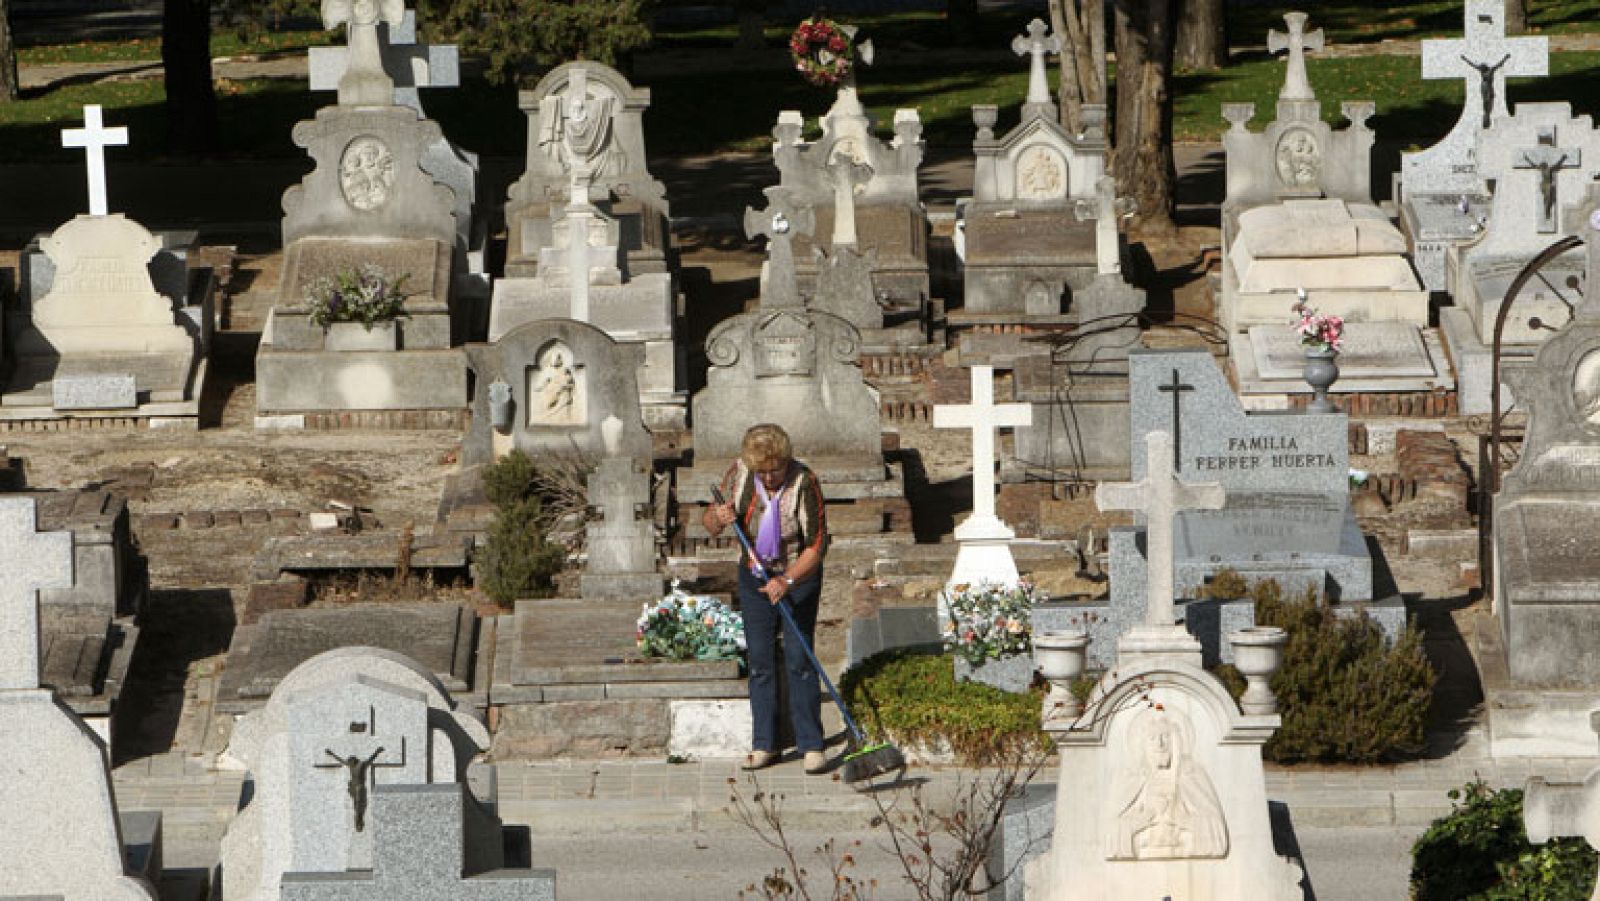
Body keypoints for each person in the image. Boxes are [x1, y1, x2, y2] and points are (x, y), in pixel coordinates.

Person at [702, 423, 830, 773]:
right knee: (760, 660)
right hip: (754, 576)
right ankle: (765, 743)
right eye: (763, 472)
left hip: (797, 574)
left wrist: (787, 580)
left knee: (799, 658)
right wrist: (719, 517)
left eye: (775, 470)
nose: (770, 478)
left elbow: (817, 544)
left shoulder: (804, 481)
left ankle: (811, 744)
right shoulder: (739, 474)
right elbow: (708, 523)